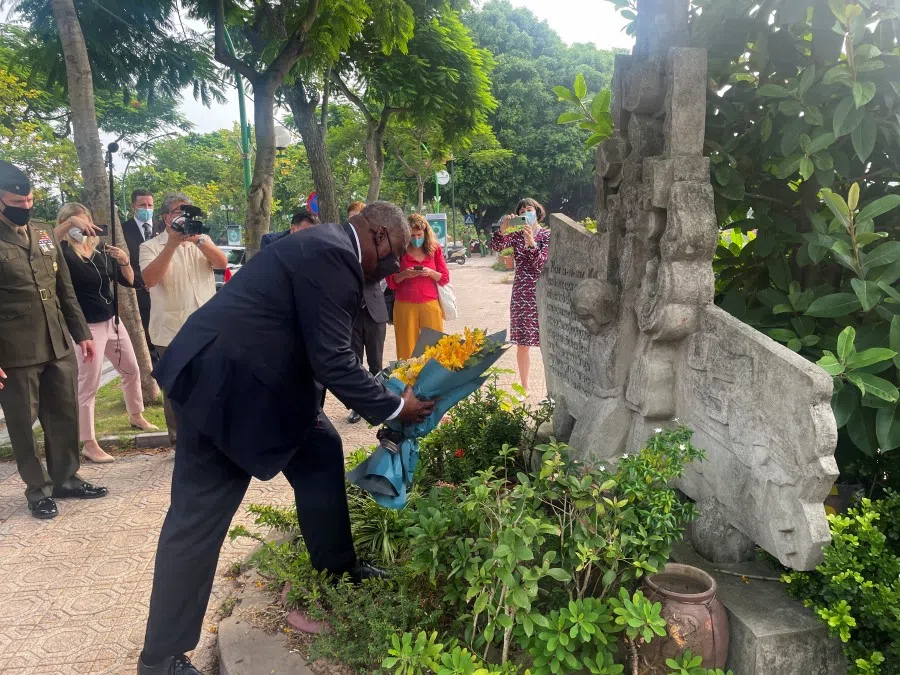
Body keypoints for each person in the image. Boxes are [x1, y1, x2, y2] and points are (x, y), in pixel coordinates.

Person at [137, 201, 435, 675]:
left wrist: (384, 390)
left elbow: (317, 344)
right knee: (197, 522)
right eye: (395, 252)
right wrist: (398, 406)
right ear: (377, 234)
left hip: (263, 384)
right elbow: (334, 359)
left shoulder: (329, 247)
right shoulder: (334, 254)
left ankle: (339, 573)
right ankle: (160, 659)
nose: (395, 264)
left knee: (320, 451)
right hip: (225, 392)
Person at [0, 161, 108, 519]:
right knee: (22, 423)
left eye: (30, 199)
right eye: (18, 200)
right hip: (15, 349)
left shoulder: (45, 232)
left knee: (63, 414)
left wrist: (80, 333)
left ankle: (66, 479)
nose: (26, 206)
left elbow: (64, 291)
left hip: (57, 341)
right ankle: (38, 490)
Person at [55, 202, 157, 464]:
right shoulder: (61, 252)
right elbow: (43, 246)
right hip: (86, 327)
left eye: (85, 221)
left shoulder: (98, 250)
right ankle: (88, 442)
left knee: (131, 370)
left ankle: (136, 415)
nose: (83, 226)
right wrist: (67, 226)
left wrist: (124, 261)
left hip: (112, 320)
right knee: (88, 385)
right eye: (77, 222)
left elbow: (129, 281)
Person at [139, 192, 227, 447]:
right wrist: (172, 245)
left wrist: (200, 241)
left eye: (189, 211)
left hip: (208, 329)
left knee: (211, 384)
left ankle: (213, 439)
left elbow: (222, 263)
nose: (185, 216)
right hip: (170, 331)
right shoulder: (150, 247)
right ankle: (181, 444)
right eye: (180, 211)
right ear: (167, 217)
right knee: (176, 391)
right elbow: (149, 279)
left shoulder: (202, 240)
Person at [491, 198, 551, 396]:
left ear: (537, 211)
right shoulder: (516, 236)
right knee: (523, 343)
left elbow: (542, 265)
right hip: (521, 292)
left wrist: (532, 243)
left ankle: (550, 388)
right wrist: (503, 228)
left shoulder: (547, 235)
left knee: (546, 341)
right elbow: (496, 245)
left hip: (542, 292)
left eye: (530, 209)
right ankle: (524, 387)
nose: (526, 212)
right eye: (522, 210)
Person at [346, 200, 389, 424]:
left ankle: (379, 404)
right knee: (354, 362)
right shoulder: (342, 245)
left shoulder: (379, 244)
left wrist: (370, 288)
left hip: (374, 310)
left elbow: (386, 277)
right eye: (353, 217)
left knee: (376, 362)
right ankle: (357, 407)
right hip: (350, 313)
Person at [387, 213, 451, 360]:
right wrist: (404, 274)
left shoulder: (434, 249)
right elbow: (390, 282)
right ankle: (407, 381)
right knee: (406, 349)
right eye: (412, 235)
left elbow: (444, 278)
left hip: (430, 305)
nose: (416, 239)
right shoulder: (398, 251)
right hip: (405, 306)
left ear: (425, 233)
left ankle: (434, 379)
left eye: (419, 235)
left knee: (435, 347)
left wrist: (430, 273)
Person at [122, 188, 158, 363]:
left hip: (164, 292)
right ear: (133, 207)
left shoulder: (163, 228)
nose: (147, 208)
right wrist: (144, 281)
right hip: (140, 295)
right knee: (149, 340)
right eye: (142, 205)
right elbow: (123, 261)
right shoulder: (123, 230)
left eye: (150, 205)